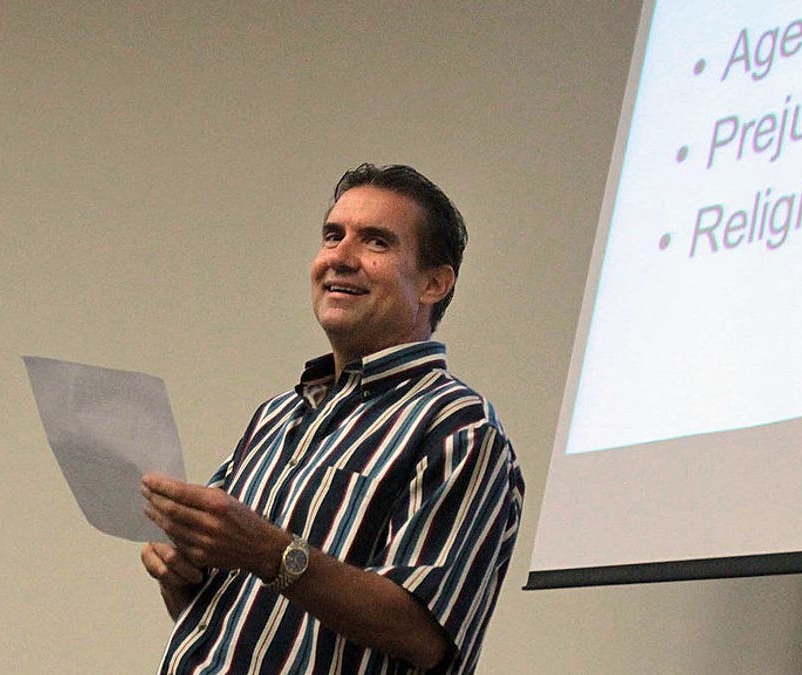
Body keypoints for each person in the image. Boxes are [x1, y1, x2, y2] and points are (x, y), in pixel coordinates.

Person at [139, 163, 525, 674]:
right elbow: (216, 619)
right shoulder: (276, 416)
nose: (340, 258)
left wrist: (272, 555)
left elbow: (424, 632)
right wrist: (179, 575)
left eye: (376, 243)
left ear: (434, 283)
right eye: (332, 236)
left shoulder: (459, 428)